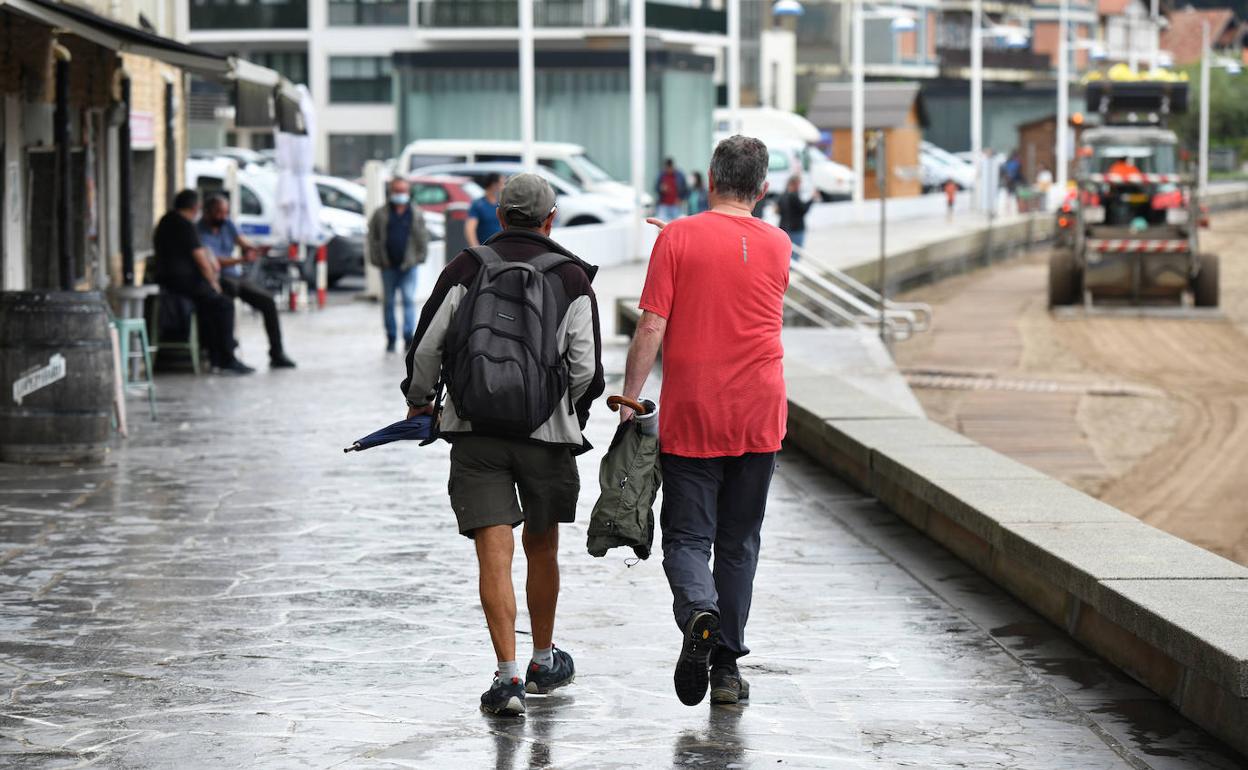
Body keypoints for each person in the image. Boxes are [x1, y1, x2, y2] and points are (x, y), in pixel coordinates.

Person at [400, 173, 605, 717]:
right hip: (546, 436)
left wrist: (422, 402)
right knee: (542, 548)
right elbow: (586, 369)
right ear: (550, 219)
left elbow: (426, 348)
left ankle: (508, 677)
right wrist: (568, 414)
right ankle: (543, 659)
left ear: (498, 215)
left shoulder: (465, 267)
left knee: (494, 554)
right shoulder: (570, 278)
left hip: (475, 432)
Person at [621, 135, 790, 708]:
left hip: (695, 413)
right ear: (763, 189)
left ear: (709, 177)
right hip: (761, 413)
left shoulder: (677, 237)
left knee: (689, 538)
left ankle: (699, 613)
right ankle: (726, 673)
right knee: (739, 543)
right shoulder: (780, 244)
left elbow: (651, 325)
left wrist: (630, 396)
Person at [153, 189, 252, 375]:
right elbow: (200, 258)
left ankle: (215, 353)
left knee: (212, 305)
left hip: (170, 280)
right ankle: (226, 358)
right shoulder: (185, 225)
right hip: (182, 283)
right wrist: (213, 282)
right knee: (223, 304)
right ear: (196, 207)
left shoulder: (166, 221)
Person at [197, 194, 296, 369]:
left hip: (235, 275)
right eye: (218, 212)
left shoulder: (227, 224)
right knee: (225, 305)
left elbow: (242, 240)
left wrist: (252, 249)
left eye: (225, 212)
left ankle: (277, 353)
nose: (222, 216)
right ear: (207, 212)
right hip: (217, 277)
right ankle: (226, 355)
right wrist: (240, 260)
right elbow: (212, 261)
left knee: (267, 302)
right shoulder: (199, 231)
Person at [367, 177, 430, 353]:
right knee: (388, 302)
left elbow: (423, 236)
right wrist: (378, 259)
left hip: (409, 266)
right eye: (397, 191)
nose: (400, 194)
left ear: (408, 192)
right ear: (391, 192)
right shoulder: (381, 213)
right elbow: (373, 238)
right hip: (388, 266)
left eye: (403, 191)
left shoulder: (415, 212)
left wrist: (421, 257)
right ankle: (391, 337)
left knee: (409, 300)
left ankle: (408, 336)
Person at [776, 174, 813, 261]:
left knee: (786, 254)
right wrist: (812, 199)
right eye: (799, 184)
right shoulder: (794, 196)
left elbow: (778, 211)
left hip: (784, 228)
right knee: (795, 255)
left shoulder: (782, 195)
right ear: (796, 184)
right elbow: (803, 209)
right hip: (796, 229)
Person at [466, 173, 504, 247]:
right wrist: (476, 249)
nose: (503, 187)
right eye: (501, 184)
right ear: (494, 185)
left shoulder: (501, 204)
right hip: (485, 249)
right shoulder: (478, 205)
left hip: (500, 248)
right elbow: (470, 230)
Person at [654, 157, 688, 221]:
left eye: (670, 168)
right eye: (667, 168)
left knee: (676, 224)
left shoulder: (680, 175)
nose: (669, 170)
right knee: (662, 224)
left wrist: (681, 199)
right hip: (663, 204)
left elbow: (685, 189)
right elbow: (656, 188)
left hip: (675, 205)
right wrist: (661, 189)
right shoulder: (661, 175)